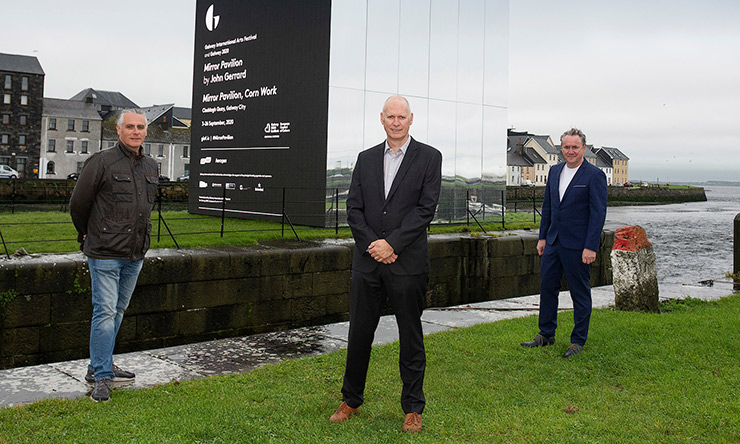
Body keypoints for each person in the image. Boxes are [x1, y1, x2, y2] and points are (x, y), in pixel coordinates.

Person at [329, 95, 442, 433]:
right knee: (360, 333)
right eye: (390, 116)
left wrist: (392, 244)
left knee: (411, 335)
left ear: (411, 119)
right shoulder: (364, 160)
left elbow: (425, 209)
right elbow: (354, 209)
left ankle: (413, 408)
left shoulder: (429, 158)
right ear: (381, 119)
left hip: (407, 264)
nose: (396, 122)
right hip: (368, 264)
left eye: (401, 116)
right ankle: (350, 400)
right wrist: (373, 246)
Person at [70, 110, 158, 402]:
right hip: (105, 252)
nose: (136, 131)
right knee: (105, 312)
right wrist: (87, 234)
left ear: (146, 132)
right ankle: (102, 378)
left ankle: (100, 365)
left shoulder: (150, 166)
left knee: (117, 312)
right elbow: (78, 203)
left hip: (135, 253)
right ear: (118, 131)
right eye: (130, 127)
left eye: (141, 127)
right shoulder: (102, 161)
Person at [521, 128, 607, 358]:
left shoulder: (594, 175)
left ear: (583, 148)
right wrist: (542, 237)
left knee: (579, 292)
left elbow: (598, 214)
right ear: (561, 148)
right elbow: (548, 207)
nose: (570, 151)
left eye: (575, 147)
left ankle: (577, 341)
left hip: (579, 246)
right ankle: (546, 333)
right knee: (547, 287)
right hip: (553, 242)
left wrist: (591, 246)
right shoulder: (555, 171)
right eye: (566, 147)